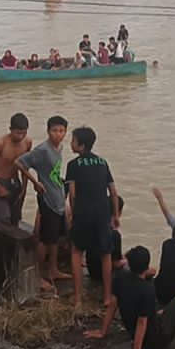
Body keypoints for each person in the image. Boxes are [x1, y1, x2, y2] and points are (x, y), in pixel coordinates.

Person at [65, 126, 119, 308]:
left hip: (83, 212)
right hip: (102, 212)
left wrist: (72, 213)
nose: (70, 143)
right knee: (105, 254)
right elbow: (112, 191)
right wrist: (116, 214)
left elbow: (72, 194)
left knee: (77, 252)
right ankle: (107, 297)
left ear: (80, 145)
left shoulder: (73, 165)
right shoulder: (103, 162)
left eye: (73, 141)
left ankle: (79, 298)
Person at [16, 116, 68, 291]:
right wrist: (35, 182)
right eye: (54, 130)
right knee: (45, 239)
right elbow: (20, 163)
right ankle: (37, 276)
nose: (58, 134)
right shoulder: (43, 150)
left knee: (53, 238)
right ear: (48, 131)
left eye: (61, 131)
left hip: (58, 197)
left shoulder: (59, 147)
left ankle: (53, 270)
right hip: (47, 199)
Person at [0, 113, 32, 225]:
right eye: (18, 133)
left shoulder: (27, 142)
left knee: (15, 219)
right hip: (0, 181)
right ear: (11, 130)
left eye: (24, 133)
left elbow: (25, 166)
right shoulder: (0, 143)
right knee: (2, 220)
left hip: (16, 183)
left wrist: (24, 188)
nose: (21, 136)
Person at [87, 196, 125, 280]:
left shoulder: (93, 225)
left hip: (91, 270)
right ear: (119, 212)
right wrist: (128, 261)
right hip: (104, 274)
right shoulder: (115, 234)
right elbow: (116, 264)